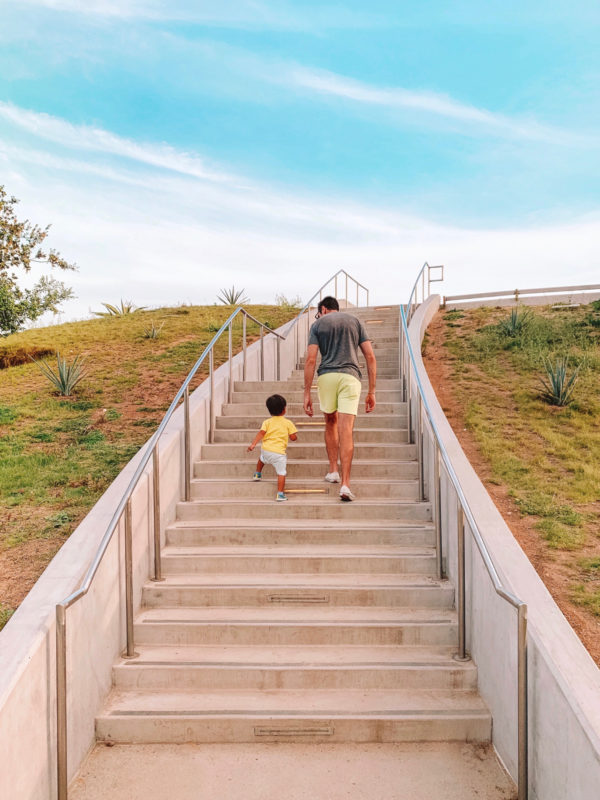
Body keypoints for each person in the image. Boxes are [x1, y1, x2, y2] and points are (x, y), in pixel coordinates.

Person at [303, 296, 376, 501]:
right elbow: (370, 356)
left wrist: (307, 392)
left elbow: (311, 359)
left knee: (330, 423)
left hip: (327, 377)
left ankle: (333, 470)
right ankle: (345, 484)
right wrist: (372, 391)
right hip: (350, 377)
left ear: (324, 309)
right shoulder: (356, 321)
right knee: (346, 430)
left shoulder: (317, 325)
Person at [247, 393, 298, 502]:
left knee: (262, 459)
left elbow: (261, 434)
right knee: (281, 472)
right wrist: (293, 436)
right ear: (284, 409)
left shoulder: (267, 422)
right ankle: (280, 494)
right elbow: (293, 437)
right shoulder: (288, 423)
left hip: (266, 450)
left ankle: (257, 474)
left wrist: (253, 444)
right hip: (278, 453)